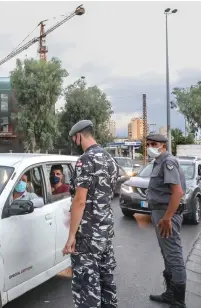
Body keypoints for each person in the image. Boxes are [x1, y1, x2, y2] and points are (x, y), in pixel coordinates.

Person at [62, 120, 119, 308]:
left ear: (79, 136)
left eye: (74, 139)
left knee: (86, 286)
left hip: (87, 234)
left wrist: (71, 236)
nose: (74, 142)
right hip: (105, 230)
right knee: (105, 279)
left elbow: (80, 200)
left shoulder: (85, 160)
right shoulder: (110, 159)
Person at [146, 134, 187, 308]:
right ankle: (170, 294)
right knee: (167, 255)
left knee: (174, 256)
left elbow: (177, 192)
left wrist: (167, 218)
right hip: (161, 214)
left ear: (163, 145)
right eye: (148, 144)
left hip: (166, 215)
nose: (150, 147)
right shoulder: (158, 162)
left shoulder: (168, 162)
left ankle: (178, 301)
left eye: (153, 144)